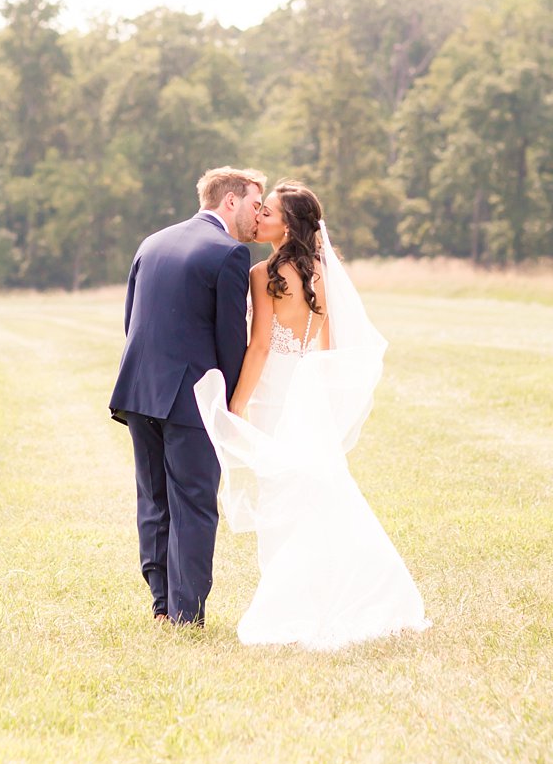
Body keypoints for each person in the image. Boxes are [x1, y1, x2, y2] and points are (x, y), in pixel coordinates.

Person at [194, 181, 430, 650]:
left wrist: (236, 406)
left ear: (288, 224)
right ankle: (340, 591)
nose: (259, 217)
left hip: (274, 396)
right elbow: (325, 346)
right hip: (306, 392)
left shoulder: (265, 273)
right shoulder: (320, 273)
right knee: (314, 494)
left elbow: (259, 346)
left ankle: (292, 601)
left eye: (269, 213)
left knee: (283, 499)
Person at [109, 167, 266, 626]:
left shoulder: (151, 242)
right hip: (190, 397)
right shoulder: (230, 253)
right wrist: (233, 409)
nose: (258, 215)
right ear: (230, 201)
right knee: (195, 503)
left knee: (154, 499)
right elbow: (230, 343)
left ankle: (161, 605)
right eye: (255, 204)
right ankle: (185, 614)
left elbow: (130, 320)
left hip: (139, 389)